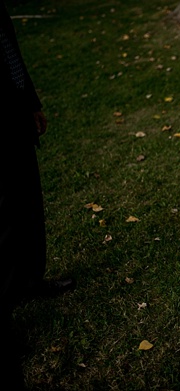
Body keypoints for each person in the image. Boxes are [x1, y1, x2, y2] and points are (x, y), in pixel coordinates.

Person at [1, 3, 67, 388]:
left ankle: (28, 280)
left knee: (26, 202)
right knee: (1, 217)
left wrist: (31, 102)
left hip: (11, 112)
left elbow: (8, 50)